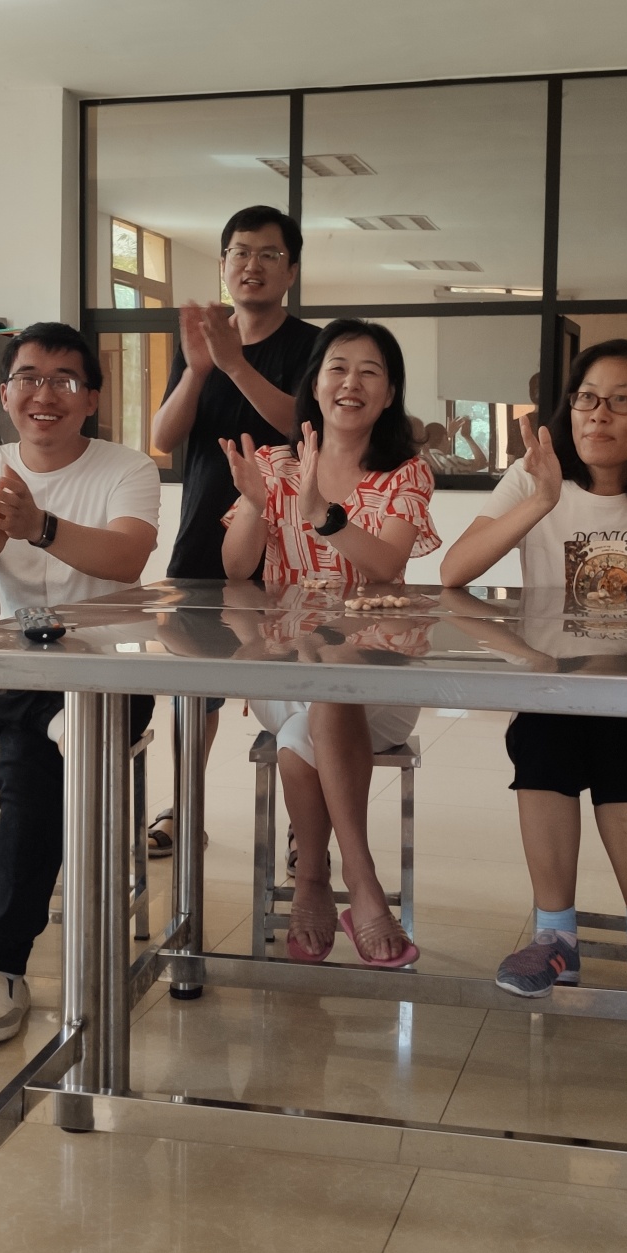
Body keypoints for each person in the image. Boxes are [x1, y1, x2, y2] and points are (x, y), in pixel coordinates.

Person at [440, 339, 627, 1008]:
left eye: (622, 401)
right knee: (545, 731)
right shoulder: (536, 475)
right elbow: (453, 571)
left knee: (615, 724)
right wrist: (540, 501)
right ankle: (556, 937)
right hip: (557, 699)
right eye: (586, 398)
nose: (598, 414)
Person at [0, 322, 161, 1043]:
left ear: (91, 398)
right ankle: (50, 725)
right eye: (29, 378)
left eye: (64, 381)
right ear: (5, 395)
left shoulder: (127, 468)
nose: (44, 394)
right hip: (18, 673)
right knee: (23, 720)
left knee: (30, 761)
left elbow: (126, 559)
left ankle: (2, 963)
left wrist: (39, 526)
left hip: (110, 676)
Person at [220, 319, 438, 968]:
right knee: (316, 698)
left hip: (382, 679)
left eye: (370, 372)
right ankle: (363, 888)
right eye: (337, 368)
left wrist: (322, 514)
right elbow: (236, 569)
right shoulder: (274, 465)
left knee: (316, 710)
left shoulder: (406, 473)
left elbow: (385, 565)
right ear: (313, 385)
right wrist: (257, 504)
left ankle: (314, 878)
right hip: (282, 670)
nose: (351, 383)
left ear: (390, 393)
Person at [145, 205, 321, 856]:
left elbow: (306, 425)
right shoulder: (202, 344)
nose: (252, 265)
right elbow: (164, 438)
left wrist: (235, 364)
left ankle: (306, 825)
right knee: (196, 693)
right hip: (202, 540)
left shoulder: (313, 346)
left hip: (291, 549)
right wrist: (200, 368)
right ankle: (184, 808)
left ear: (291, 271)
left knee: (298, 693)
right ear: (223, 264)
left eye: (269, 254)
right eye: (241, 252)